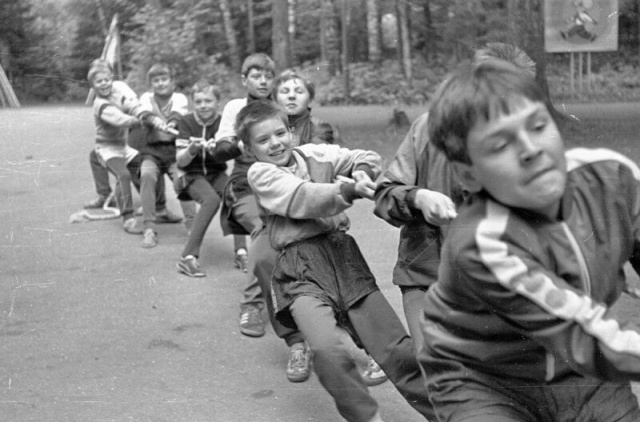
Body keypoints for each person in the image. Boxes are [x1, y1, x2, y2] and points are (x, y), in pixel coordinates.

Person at [418, 59, 640, 422]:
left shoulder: (613, 176)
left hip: (582, 377)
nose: (530, 149)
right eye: (499, 145)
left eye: (538, 126)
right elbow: (581, 334)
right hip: (485, 380)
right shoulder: (484, 242)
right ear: (468, 175)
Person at [240, 99, 436, 422]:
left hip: (344, 257)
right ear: (249, 148)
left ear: (291, 131)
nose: (274, 144)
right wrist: (346, 192)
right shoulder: (261, 174)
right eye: (263, 140)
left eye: (279, 133)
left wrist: (359, 173)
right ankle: (367, 417)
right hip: (300, 268)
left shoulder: (317, 153)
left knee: (397, 350)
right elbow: (302, 197)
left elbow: (365, 157)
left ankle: (448, 415)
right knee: (327, 349)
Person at [373, 42, 536, 353]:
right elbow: (384, 193)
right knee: (439, 378)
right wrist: (418, 198)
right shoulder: (427, 129)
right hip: (427, 277)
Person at [214, 52, 276, 338]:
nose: (263, 81)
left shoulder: (280, 106)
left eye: (268, 76)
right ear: (244, 79)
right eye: (256, 76)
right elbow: (220, 150)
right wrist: (242, 142)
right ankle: (251, 305)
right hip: (245, 185)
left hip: (281, 185)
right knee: (265, 230)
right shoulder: (236, 107)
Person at [88, 61, 169, 233]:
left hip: (123, 147)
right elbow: (120, 119)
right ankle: (128, 218)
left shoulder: (118, 93)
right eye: (99, 81)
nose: (104, 84)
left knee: (150, 162)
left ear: (111, 79)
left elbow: (131, 105)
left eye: (106, 80)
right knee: (123, 175)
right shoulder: (100, 104)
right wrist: (141, 120)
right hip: (107, 149)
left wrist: (145, 114)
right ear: (93, 86)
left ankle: (159, 208)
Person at [134, 62, 194, 248]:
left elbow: (177, 114)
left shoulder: (180, 98)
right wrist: (154, 120)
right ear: (151, 83)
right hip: (152, 150)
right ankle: (149, 229)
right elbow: (144, 113)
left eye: (164, 79)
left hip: (175, 150)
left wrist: (172, 123)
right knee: (147, 175)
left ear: (172, 81)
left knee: (182, 180)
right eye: (156, 80)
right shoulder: (146, 97)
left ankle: (193, 227)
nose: (160, 83)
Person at [173, 81, 229, 277]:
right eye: (198, 101)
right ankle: (187, 257)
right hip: (192, 175)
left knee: (236, 194)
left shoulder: (223, 123)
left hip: (216, 174)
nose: (203, 105)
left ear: (218, 103)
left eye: (208, 101)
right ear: (193, 103)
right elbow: (180, 161)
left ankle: (242, 252)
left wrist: (218, 150)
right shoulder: (187, 122)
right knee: (211, 200)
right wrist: (191, 149)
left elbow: (230, 155)